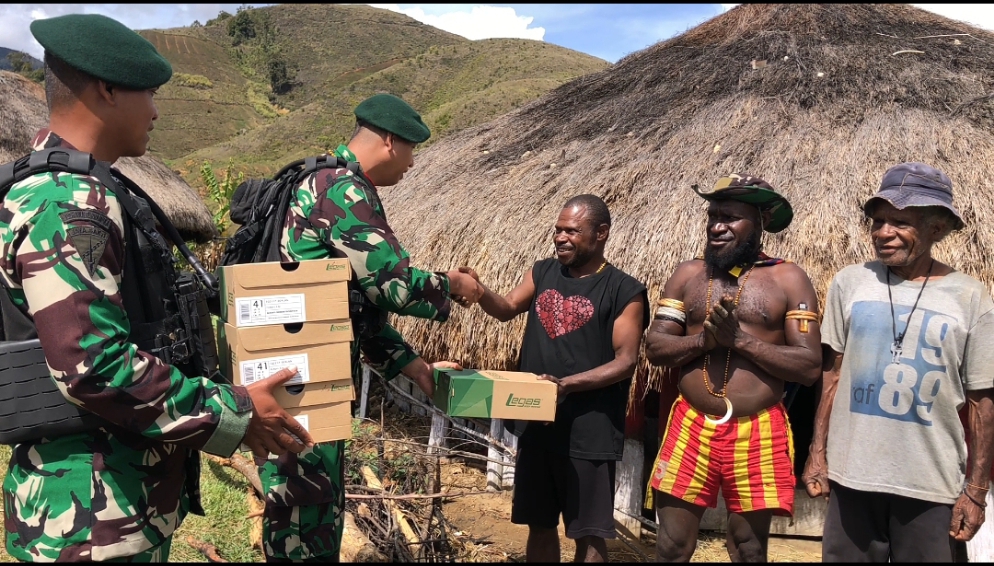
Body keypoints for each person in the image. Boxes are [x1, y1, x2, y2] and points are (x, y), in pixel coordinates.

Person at [0, 14, 312, 562]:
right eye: (149, 92)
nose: (157, 110)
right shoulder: (67, 203)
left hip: (117, 501)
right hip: (89, 517)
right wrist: (235, 413)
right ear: (107, 88)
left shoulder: (91, 188)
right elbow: (94, 365)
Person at [261, 92, 484, 562]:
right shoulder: (343, 189)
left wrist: (416, 367)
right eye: (411, 150)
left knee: (308, 513)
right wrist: (453, 286)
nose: (411, 163)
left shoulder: (320, 181)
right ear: (388, 141)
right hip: (307, 386)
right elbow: (392, 286)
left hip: (305, 379)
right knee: (306, 518)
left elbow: (354, 310)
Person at [802, 162, 994, 562]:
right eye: (878, 220)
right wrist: (817, 452)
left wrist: (976, 490)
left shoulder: (970, 297)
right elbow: (832, 376)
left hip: (930, 485)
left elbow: (982, 402)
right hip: (852, 478)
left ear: (936, 229)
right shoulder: (850, 282)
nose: (882, 232)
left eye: (899, 222)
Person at [458, 194, 649, 563]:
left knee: (589, 534)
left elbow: (626, 362)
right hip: (539, 424)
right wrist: (480, 293)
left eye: (573, 231)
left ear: (601, 234)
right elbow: (508, 308)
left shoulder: (624, 290)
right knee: (539, 525)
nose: (561, 237)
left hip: (590, 430)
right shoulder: (542, 272)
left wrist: (567, 385)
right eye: (558, 230)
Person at [644, 174, 822, 562]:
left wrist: (742, 341)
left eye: (730, 218)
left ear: (759, 224)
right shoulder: (688, 275)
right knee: (671, 545)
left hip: (759, 427)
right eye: (712, 215)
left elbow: (809, 366)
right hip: (690, 423)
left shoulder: (788, 278)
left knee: (749, 548)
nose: (716, 226)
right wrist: (703, 342)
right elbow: (655, 346)